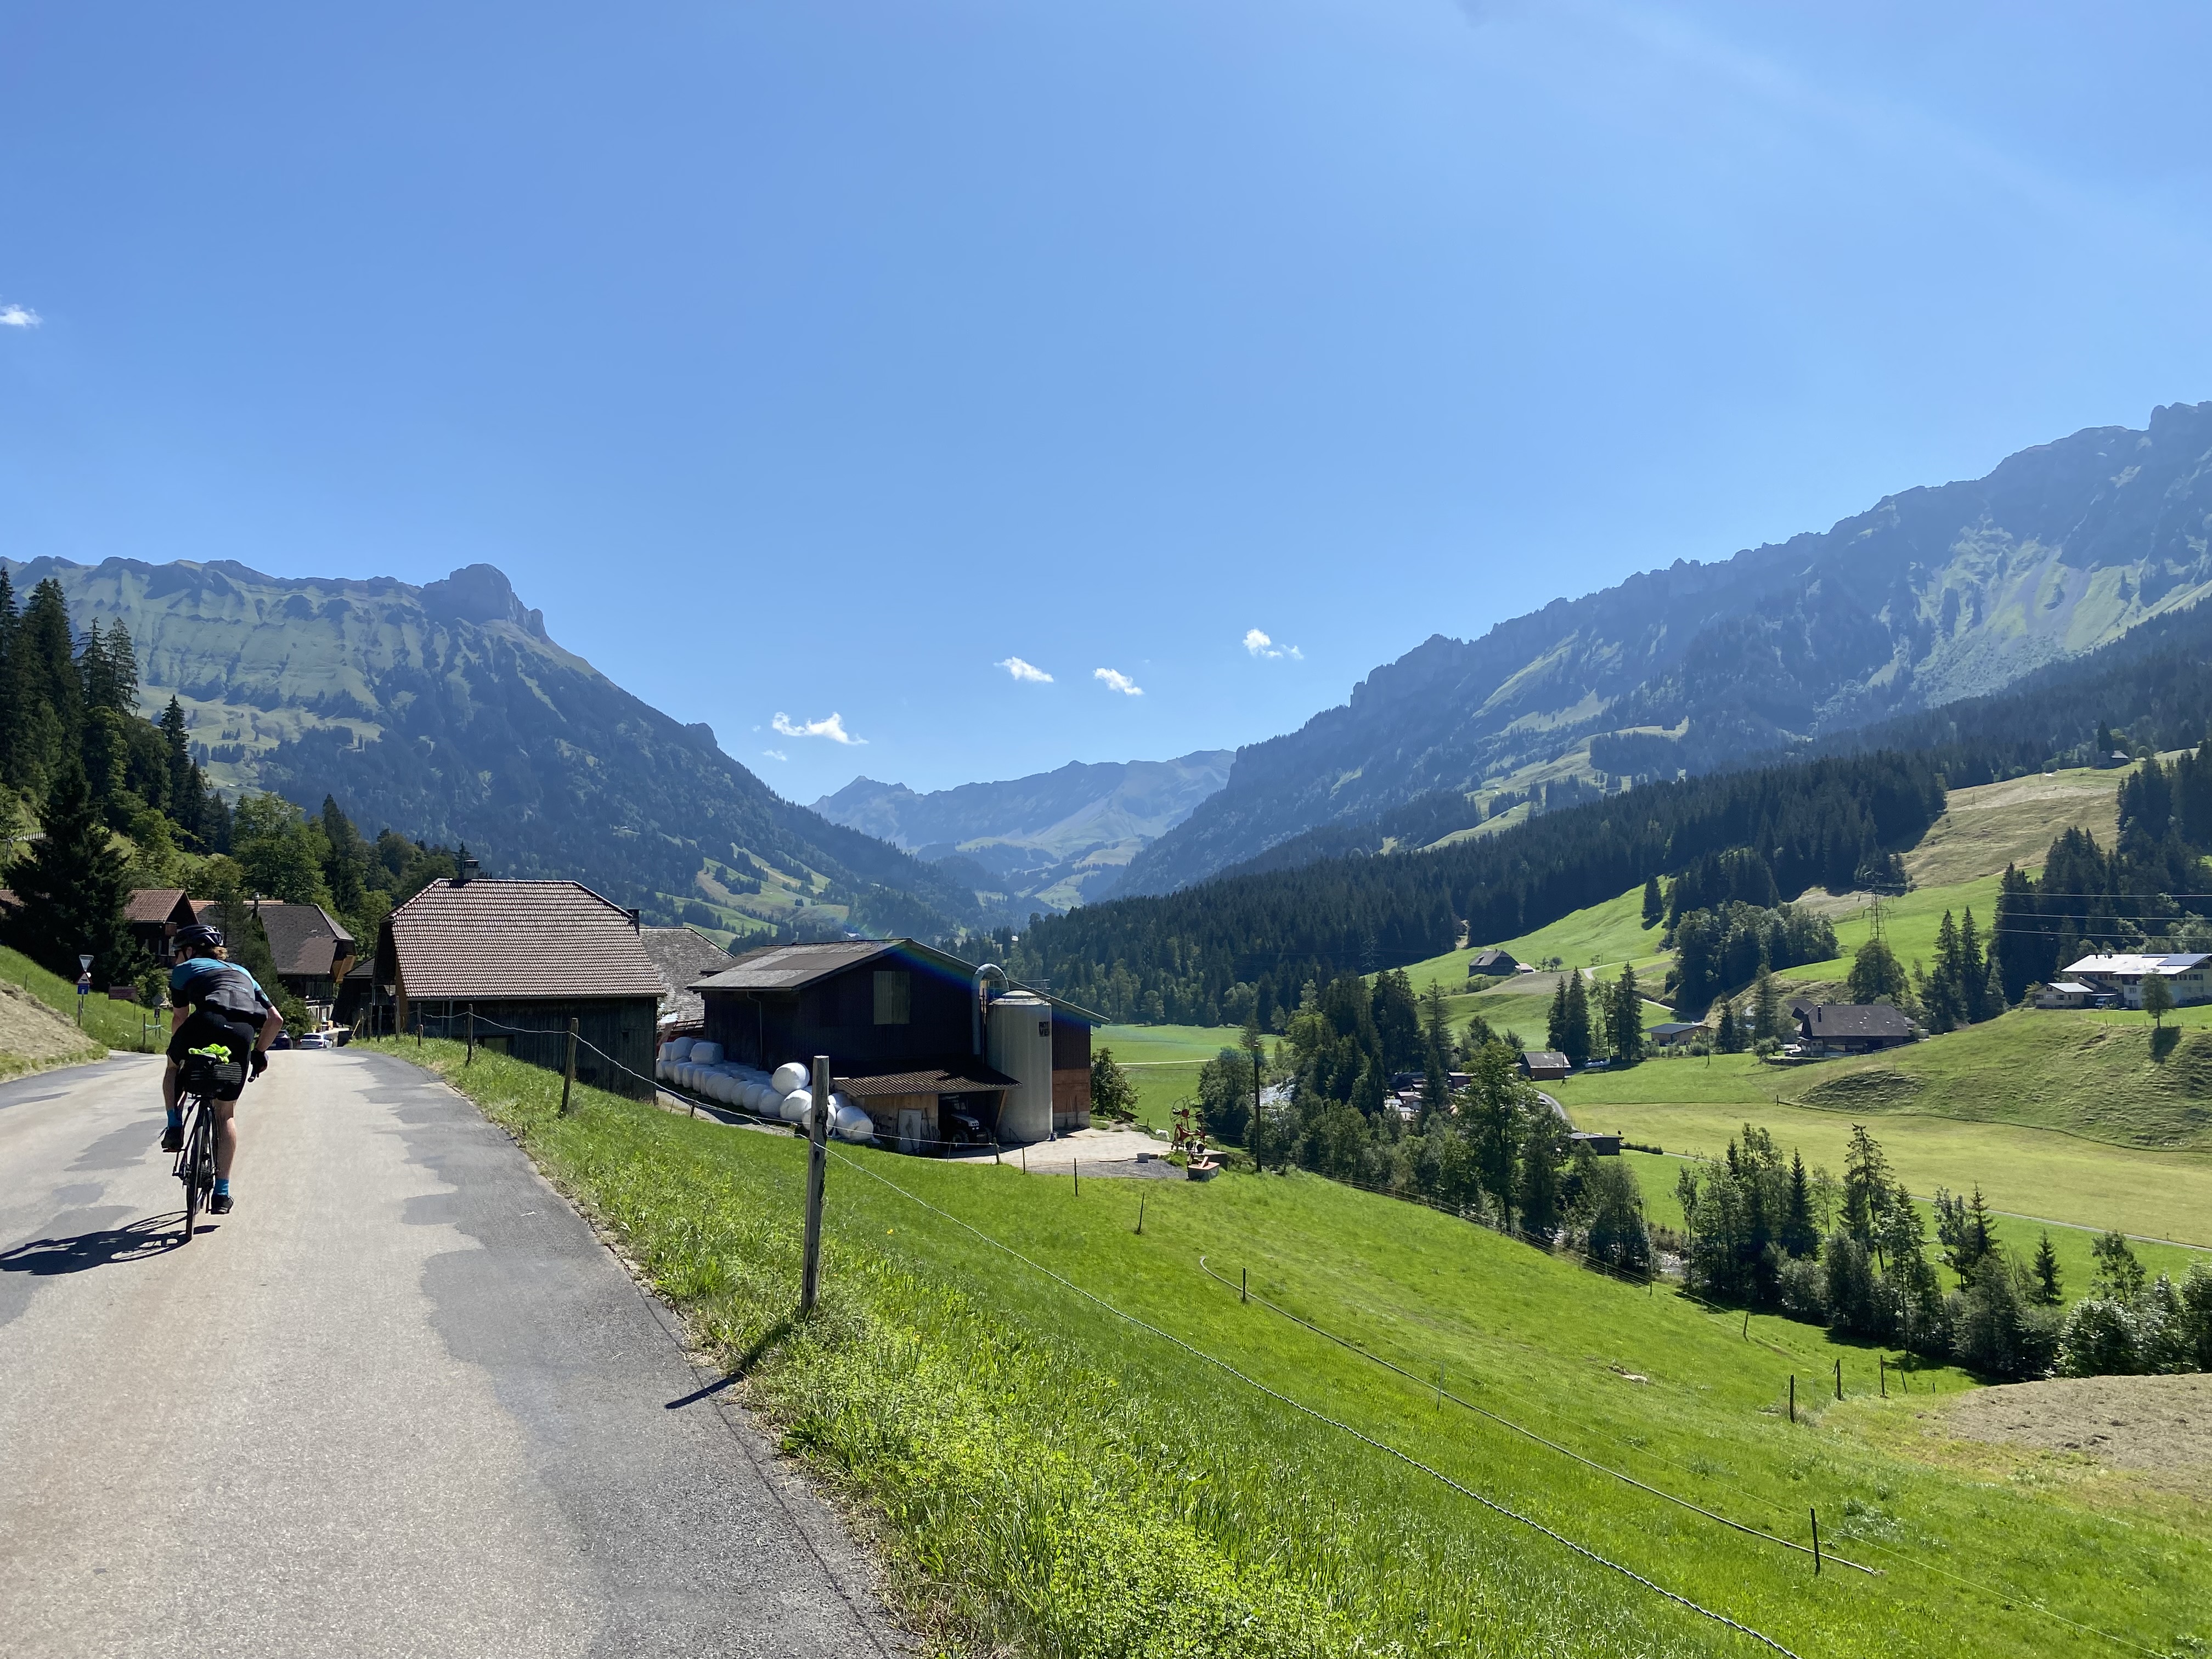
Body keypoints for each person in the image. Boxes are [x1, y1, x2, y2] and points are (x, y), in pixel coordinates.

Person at [160, 923, 283, 1215]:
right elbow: (275, 1019)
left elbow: (180, 1016)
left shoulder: (185, 969)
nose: (178, 958)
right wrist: (259, 1053)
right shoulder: (244, 973)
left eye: (179, 953)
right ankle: (222, 1193)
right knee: (225, 1113)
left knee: (171, 1069)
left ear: (189, 950)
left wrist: (179, 1050)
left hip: (205, 1021)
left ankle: (174, 1126)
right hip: (242, 1033)